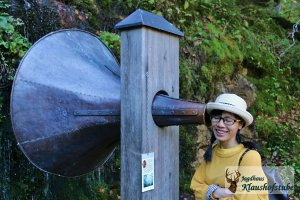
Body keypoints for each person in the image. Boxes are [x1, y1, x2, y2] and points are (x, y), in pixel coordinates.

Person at [190, 93, 268, 200]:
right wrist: (216, 192)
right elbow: (196, 186)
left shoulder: (249, 157)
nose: (220, 124)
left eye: (228, 120)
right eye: (217, 118)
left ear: (240, 125)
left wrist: (209, 192)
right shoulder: (212, 152)